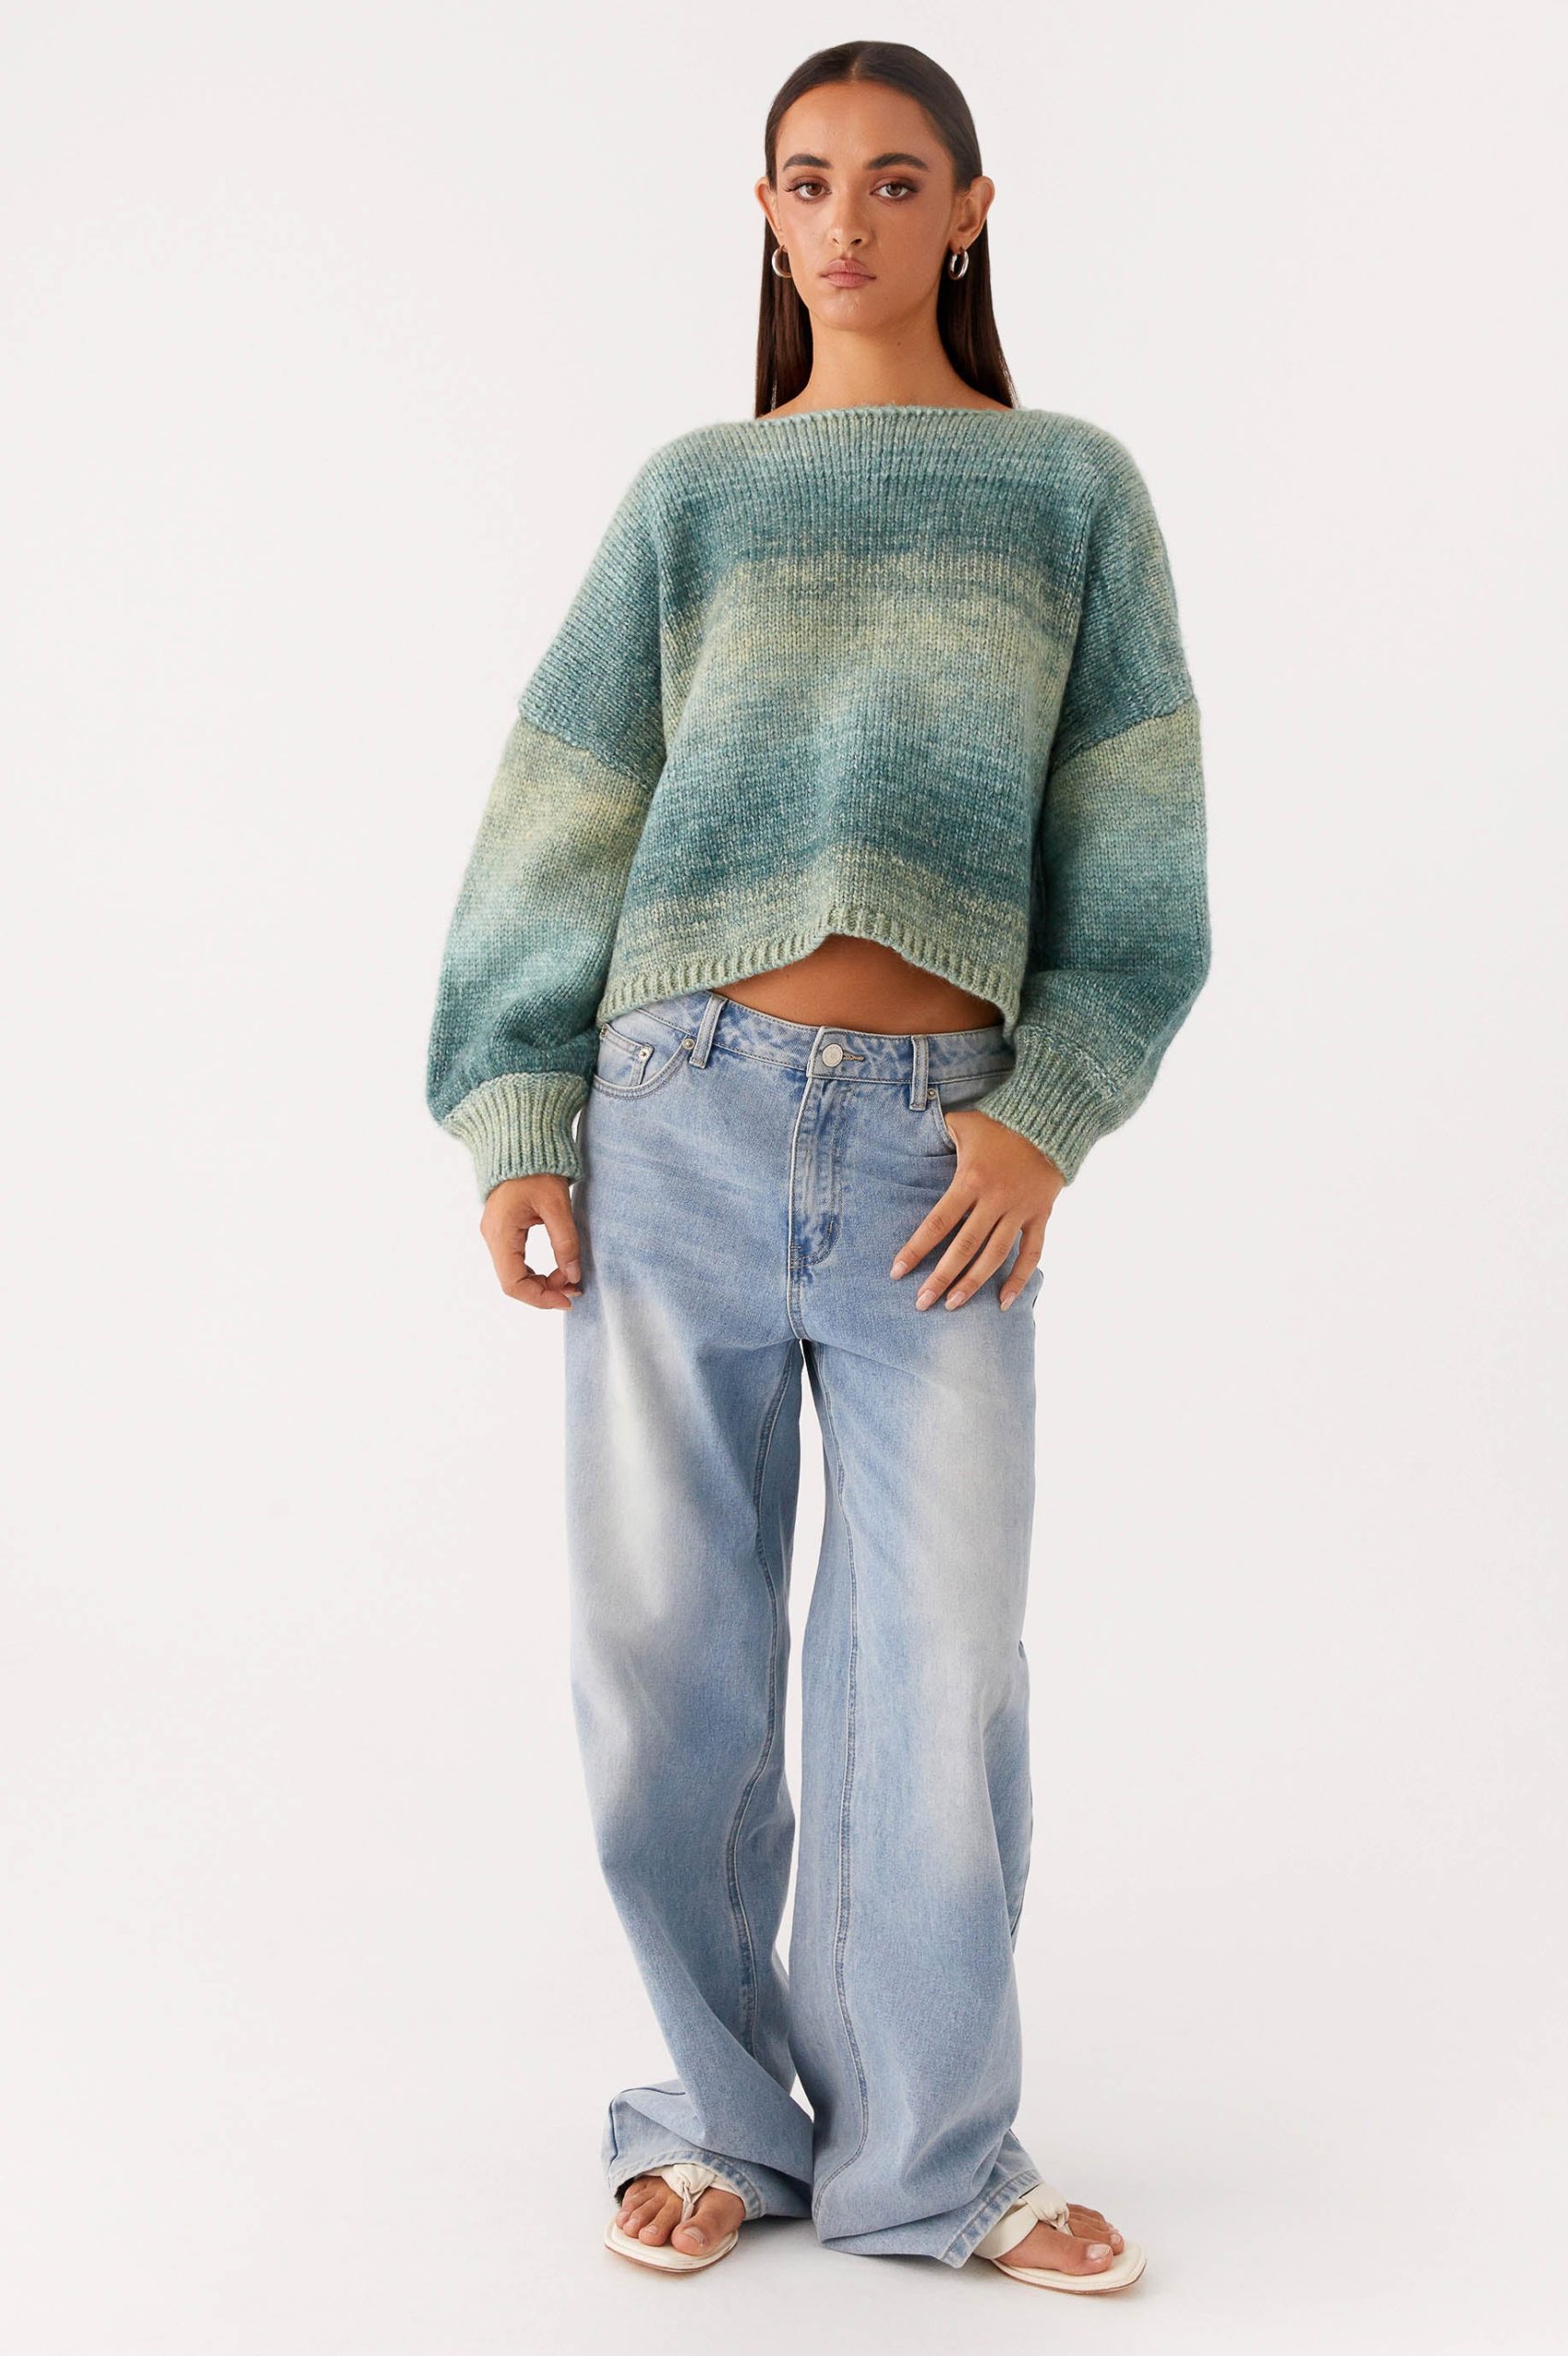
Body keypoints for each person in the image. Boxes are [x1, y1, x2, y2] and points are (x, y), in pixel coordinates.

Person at [425, 40, 1210, 2296]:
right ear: (761, 214)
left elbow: (1134, 852)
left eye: (889, 178)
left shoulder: (1069, 493)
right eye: (802, 181)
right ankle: (712, 2116)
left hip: (937, 1156)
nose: (843, 219)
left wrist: (1044, 1108)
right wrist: (515, 1106)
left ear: (969, 208)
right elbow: (564, 803)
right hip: (669, 1108)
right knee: (659, 1651)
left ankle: (929, 2160)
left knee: (933, 1667)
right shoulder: (693, 495)